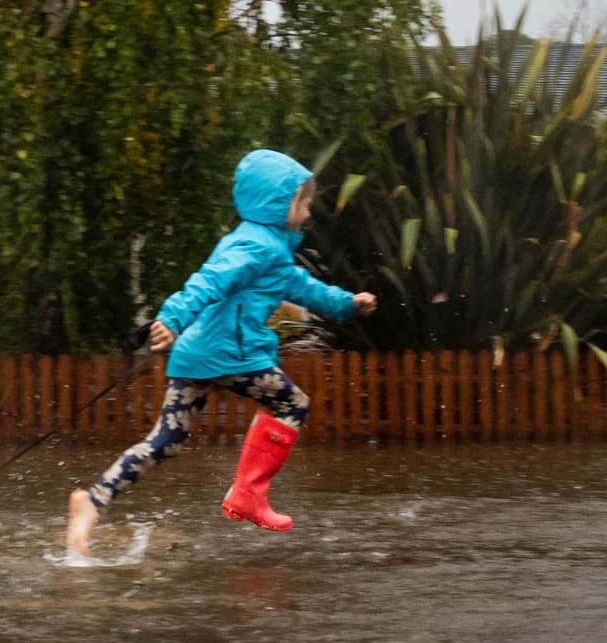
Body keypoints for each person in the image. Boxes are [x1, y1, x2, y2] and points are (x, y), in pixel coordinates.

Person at [66, 149, 378, 556]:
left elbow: (306, 289)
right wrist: (172, 317)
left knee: (167, 440)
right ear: (275, 203)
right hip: (230, 355)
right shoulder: (256, 245)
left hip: (197, 356)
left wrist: (346, 303)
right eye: (301, 202)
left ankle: (92, 501)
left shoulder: (269, 250)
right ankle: (248, 494)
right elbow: (210, 280)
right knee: (292, 403)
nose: (306, 212)